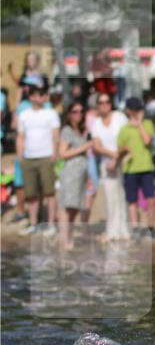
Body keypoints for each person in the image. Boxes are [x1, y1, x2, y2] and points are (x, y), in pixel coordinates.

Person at [15, 85, 60, 236]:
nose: (43, 97)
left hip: (46, 156)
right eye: (39, 94)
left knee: (49, 192)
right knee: (31, 193)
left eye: (44, 94)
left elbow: (56, 135)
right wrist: (20, 156)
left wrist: (55, 154)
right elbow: (20, 137)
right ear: (32, 97)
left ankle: (51, 224)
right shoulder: (24, 114)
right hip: (28, 157)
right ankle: (34, 223)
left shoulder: (51, 113)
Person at [89, 92, 130, 241]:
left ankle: (125, 230)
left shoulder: (120, 118)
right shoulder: (96, 123)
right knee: (110, 196)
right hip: (107, 162)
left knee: (123, 196)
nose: (105, 104)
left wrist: (117, 157)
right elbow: (96, 145)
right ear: (97, 105)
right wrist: (111, 155)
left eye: (107, 101)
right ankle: (112, 230)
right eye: (101, 102)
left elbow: (128, 139)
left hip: (124, 160)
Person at [118, 97, 155, 237]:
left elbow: (147, 140)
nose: (138, 112)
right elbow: (119, 148)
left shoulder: (147, 124)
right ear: (128, 111)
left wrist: (139, 124)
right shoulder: (124, 129)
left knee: (151, 199)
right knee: (132, 200)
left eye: (140, 109)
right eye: (135, 110)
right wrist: (124, 150)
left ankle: (151, 228)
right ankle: (135, 229)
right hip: (130, 169)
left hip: (146, 167)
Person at [56, 101, 91, 250]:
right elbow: (62, 153)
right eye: (75, 111)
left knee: (75, 207)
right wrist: (84, 146)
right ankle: (64, 240)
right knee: (67, 206)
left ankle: (68, 237)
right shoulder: (67, 130)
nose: (79, 114)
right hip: (70, 173)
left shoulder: (81, 131)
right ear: (69, 114)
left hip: (81, 174)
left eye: (81, 111)